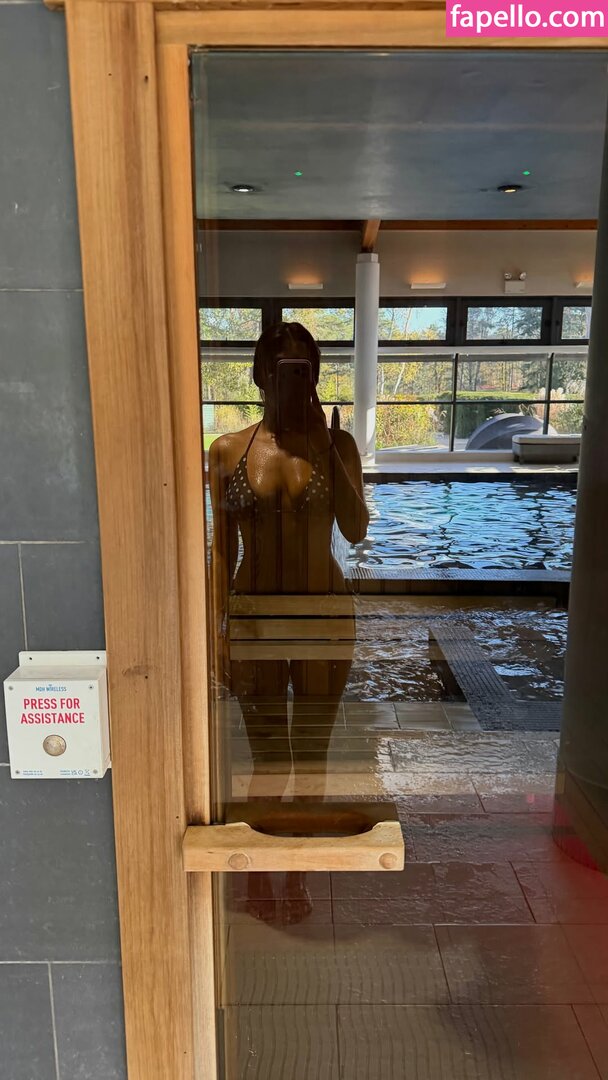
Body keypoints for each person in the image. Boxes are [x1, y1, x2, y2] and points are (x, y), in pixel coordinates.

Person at [209, 321, 369, 921]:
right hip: (254, 622)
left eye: (303, 369)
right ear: (259, 374)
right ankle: (257, 872)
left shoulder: (337, 445)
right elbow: (221, 551)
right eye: (281, 368)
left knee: (311, 757)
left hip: (324, 618)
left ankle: (296, 873)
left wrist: (327, 447)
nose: (291, 380)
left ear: (315, 377)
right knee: (267, 758)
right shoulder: (228, 449)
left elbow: (356, 529)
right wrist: (214, 631)